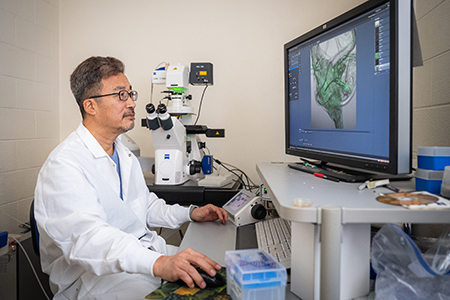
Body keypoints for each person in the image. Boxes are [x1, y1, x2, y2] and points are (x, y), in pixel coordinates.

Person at [34, 56, 229, 300]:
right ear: (90, 106)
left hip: (142, 255)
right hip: (96, 280)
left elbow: (144, 205)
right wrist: (159, 264)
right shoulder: (64, 165)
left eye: (130, 93)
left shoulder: (123, 153)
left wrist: (189, 213)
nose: (132, 103)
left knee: (220, 268)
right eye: (120, 95)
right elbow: (89, 240)